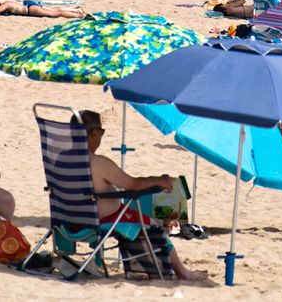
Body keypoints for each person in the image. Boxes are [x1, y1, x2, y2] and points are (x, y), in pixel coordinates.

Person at [81, 109, 208, 281]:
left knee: (137, 219)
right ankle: (182, 272)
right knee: (152, 224)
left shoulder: (59, 159)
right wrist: (159, 180)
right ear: (93, 133)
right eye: (101, 132)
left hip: (68, 220)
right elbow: (133, 185)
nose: (101, 137)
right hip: (104, 220)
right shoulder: (98, 163)